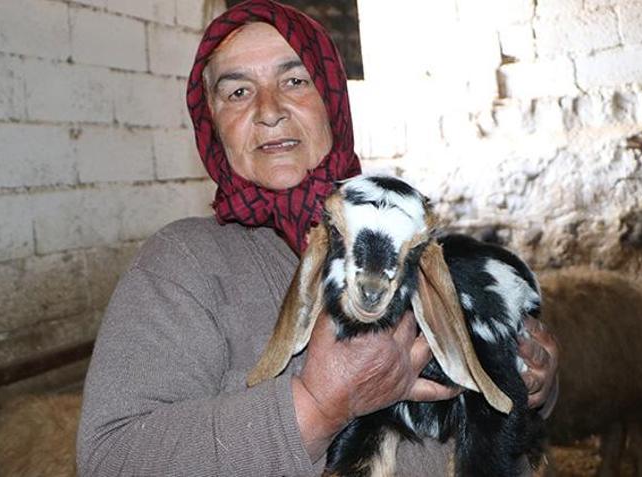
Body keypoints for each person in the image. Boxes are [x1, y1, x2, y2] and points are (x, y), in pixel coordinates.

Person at [76, 1, 559, 475]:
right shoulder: (183, 263)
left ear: (332, 99)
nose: (269, 111)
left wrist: (533, 382)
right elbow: (112, 458)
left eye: (294, 80)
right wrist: (316, 405)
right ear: (212, 125)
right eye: (238, 92)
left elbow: (485, 394)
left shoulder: (402, 235)